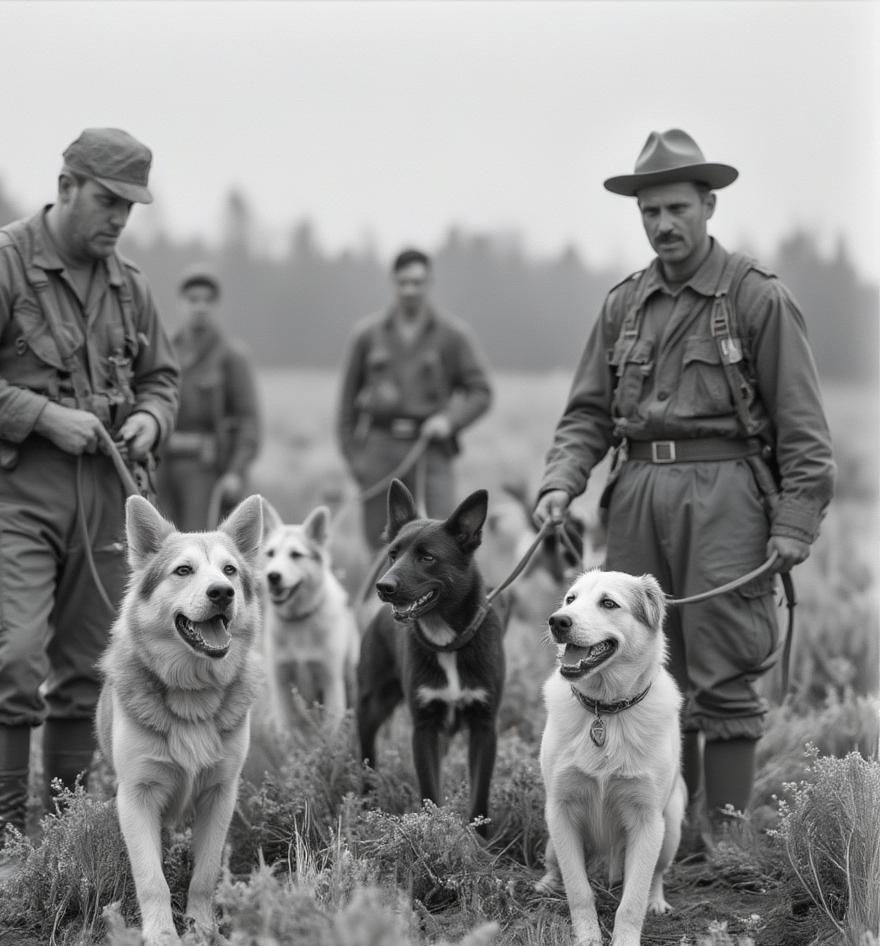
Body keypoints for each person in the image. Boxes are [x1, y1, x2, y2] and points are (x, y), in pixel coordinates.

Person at [531, 129, 835, 842]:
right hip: (636, 491)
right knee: (637, 669)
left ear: (708, 204)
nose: (663, 225)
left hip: (728, 496)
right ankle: (667, 837)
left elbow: (804, 428)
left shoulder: (757, 299)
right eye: (649, 212)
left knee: (723, 667)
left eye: (676, 208)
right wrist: (560, 482)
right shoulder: (624, 305)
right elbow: (587, 413)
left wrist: (794, 522)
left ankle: (724, 846)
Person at [0, 128, 180, 881]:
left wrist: (151, 418)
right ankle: (8, 853)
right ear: (66, 185)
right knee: (9, 658)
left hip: (106, 500)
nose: (117, 220)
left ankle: (62, 841)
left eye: (130, 207)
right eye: (107, 201)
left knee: (82, 669)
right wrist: (42, 416)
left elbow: (163, 377)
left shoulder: (130, 286)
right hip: (13, 497)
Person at [336, 248, 493, 549]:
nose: (410, 290)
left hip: (431, 447)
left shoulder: (452, 334)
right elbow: (346, 405)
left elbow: (481, 391)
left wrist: (449, 421)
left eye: (417, 282)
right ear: (393, 283)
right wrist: (354, 459)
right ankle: (379, 596)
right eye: (403, 282)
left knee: (446, 537)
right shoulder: (367, 335)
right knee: (381, 540)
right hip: (380, 446)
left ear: (430, 283)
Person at [157, 265, 261, 530]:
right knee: (161, 542)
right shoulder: (163, 351)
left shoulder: (231, 357)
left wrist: (235, 473)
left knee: (198, 539)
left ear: (216, 307)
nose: (200, 307)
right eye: (192, 300)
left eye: (207, 301)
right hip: (162, 467)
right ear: (180, 304)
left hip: (205, 471)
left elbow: (249, 423)